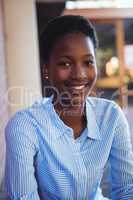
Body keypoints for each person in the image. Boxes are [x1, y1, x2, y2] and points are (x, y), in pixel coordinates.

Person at [5, 15, 133, 200]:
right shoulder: (25, 127)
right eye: (65, 63)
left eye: (88, 62)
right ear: (46, 70)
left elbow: (127, 190)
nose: (79, 75)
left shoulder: (111, 116)